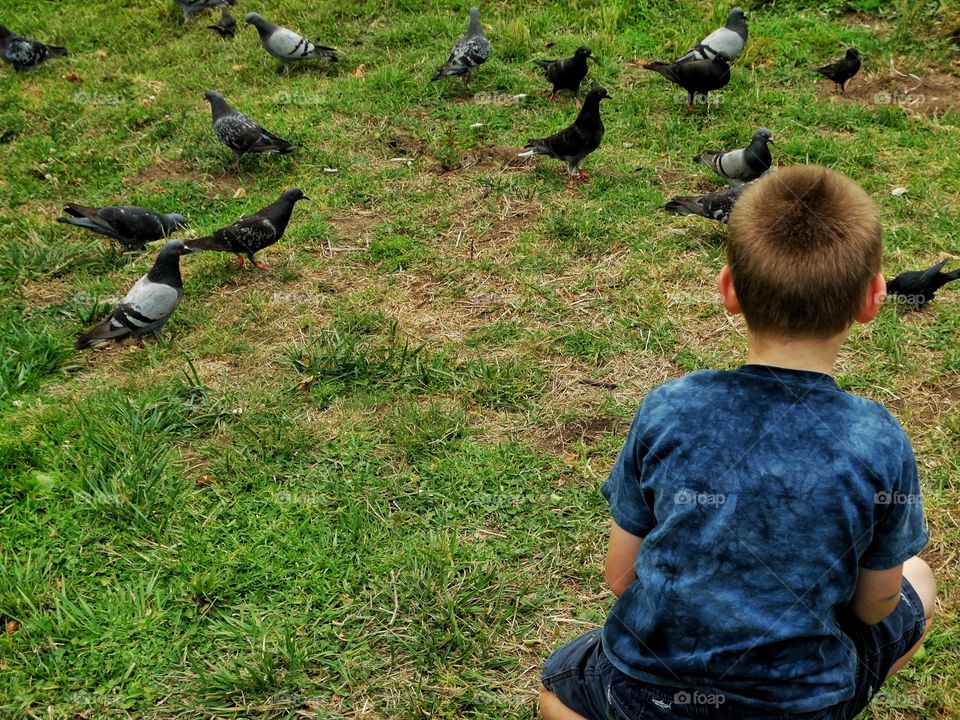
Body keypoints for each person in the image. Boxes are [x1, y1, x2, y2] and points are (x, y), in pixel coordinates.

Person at [539, 166, 935, 720]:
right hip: (801, 703)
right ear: (873, 298)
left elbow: (619, 577)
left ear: (728, 289)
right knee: (919, 575)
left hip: (647, 695)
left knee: (559, 687)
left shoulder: (668, 408)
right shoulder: (879, 438)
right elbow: (875, 608)